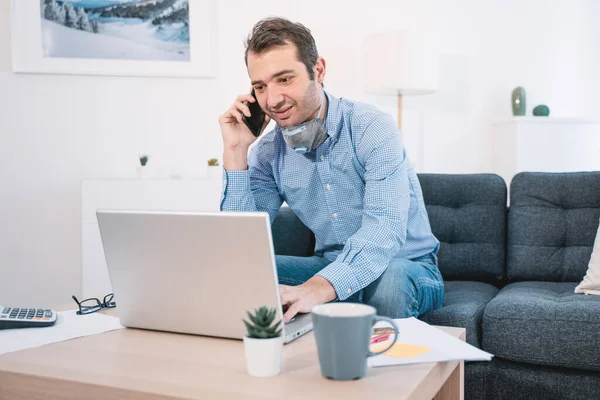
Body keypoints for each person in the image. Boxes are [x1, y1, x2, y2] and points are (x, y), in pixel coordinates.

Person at [219, 17, 444, 323]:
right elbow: (239, 245)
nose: (272, 100)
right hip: (329, 265)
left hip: (405, 265)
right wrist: (236, 151)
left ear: (318, 70)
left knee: (390, 281)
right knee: (241, 274)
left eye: (284, 79)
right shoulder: (268, 152)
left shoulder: (372, 127)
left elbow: (384, 230)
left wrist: (319, 288)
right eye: (260, 86)